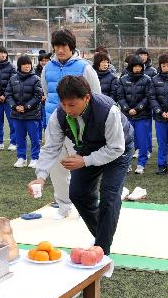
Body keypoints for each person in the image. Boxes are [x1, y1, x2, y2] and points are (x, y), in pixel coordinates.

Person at [28, 76, 133, 255]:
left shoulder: (108, 111)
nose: (68, 110)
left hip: (117, 152)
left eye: (72, 105)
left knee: (109, 196)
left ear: (87, 97)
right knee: (77, 193)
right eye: (64, 104)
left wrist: (84, 161)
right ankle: (102, 235)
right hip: (87, 150)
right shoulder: (59, 115)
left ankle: (101, 251)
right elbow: (51, 147)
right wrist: (40, 177)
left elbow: (116, 147)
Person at [40, 29, 102, 219]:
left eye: (63, 46)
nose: (59, 50)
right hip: (55, 126)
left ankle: (87, 205)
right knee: (57, 169)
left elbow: (96, 95)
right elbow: (47, 92)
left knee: (82, 169)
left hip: (80, 127)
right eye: (56, 46)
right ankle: (63, 205)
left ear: (71, 47)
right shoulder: (47, 68)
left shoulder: (85, 67)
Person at [115, 55, 152, 174]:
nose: (137, 69)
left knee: (142, 140)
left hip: (142, 115)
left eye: (139, 66)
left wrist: (137, 109)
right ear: (131, 67)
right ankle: (128, 164)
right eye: (135, 66)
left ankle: (141, 164)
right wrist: (126, 108)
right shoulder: (123, 79)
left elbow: (148, 96)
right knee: (127, 141)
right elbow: (120, 96)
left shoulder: (147, 79)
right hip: (127, 116)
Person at [6, 55, 44, 168]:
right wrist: (14, 106)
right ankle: (21, 158)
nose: (27, 66)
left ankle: (35, 158)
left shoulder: (36, 78)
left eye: (29, 64)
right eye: (24, 64)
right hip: (17, 115)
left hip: (32, 115)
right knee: (19, 138)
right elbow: (8, 94)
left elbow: (38, 96)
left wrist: (26, 107)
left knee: (35, 138)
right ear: (19, 66)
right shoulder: (13, 79)